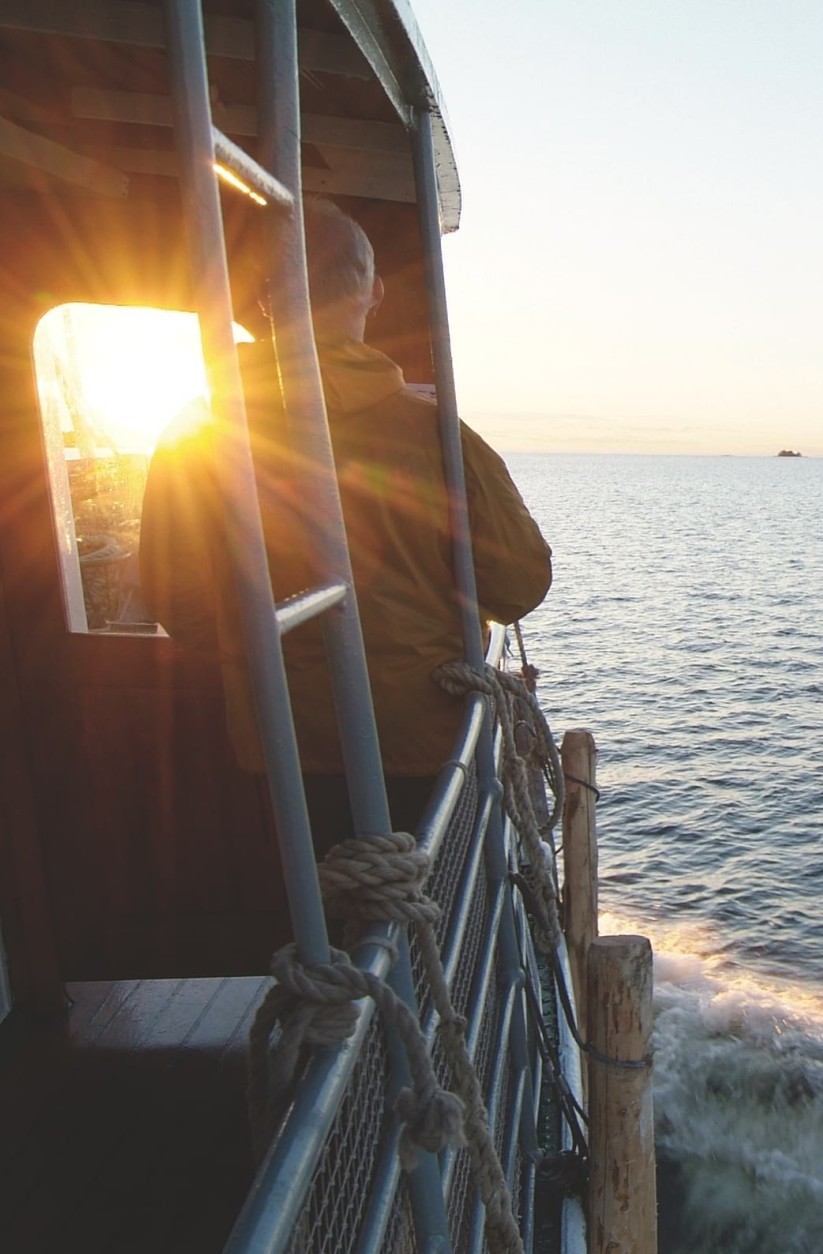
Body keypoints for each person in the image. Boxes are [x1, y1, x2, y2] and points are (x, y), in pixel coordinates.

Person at [138, 202, 552, 836]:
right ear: (374, 291)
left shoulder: (197, 434)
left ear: (266, 299)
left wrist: (277, 660)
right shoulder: (436, 436)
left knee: (323, 909)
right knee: (428, 909)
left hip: (281, 740)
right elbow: (517, 585)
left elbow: (176, 596)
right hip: (423, 736)